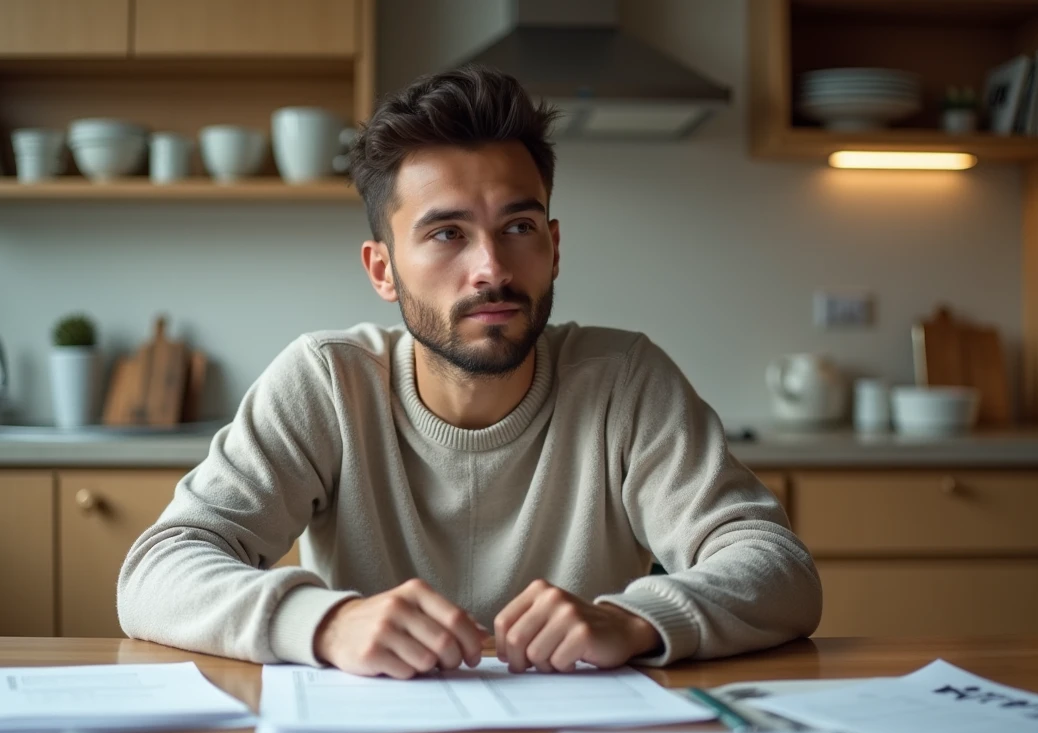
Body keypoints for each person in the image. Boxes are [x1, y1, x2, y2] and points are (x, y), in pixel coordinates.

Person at [117, 65, 821, 679]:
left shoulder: (625, 380)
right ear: (383, 270)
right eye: (446, 233)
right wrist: (326, 625)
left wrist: (638, 620)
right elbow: (157, 571)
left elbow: (779, 571)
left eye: (518, 228)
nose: (491, 268)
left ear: (552, 247)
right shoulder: (328, 382)